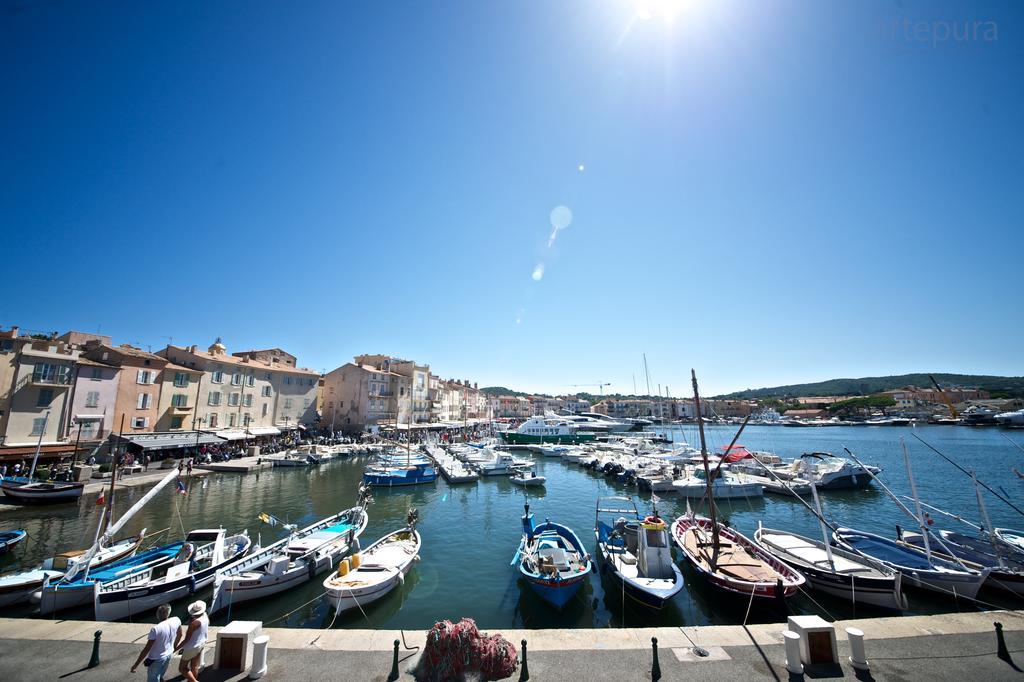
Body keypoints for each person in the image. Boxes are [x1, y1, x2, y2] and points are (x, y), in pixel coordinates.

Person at [131, 603, 181, 681]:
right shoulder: (176, 620)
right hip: (169, 654)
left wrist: (136, 664)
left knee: (153, 678)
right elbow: (180, 635)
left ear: (158, 614)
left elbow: (147, 649)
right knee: (160, 675)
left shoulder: (155, 629)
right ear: (169, 612)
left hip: (157, 659)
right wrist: (174, 646)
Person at [177, 600, 209, 681]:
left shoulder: (193, 623)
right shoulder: (205, 616)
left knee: (182, 668)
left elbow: (187, 639)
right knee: (194, 666)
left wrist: (176, 648)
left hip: (191, 648)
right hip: (201, 644)